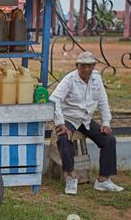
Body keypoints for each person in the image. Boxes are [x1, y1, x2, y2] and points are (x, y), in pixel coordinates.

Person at [49, 51, 124, 195]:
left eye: (90, 66)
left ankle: (102, 181)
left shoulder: (96, 78)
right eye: (83, 66)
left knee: (109, 140)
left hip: (86, 120)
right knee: (64, 139)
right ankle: (71, 177)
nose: (86, 69)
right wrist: (60, 123)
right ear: (77, 66)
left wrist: (106, 122)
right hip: (69, 118)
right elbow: (54, 99)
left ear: (94, 66)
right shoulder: (69, 79)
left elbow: (103, 101)